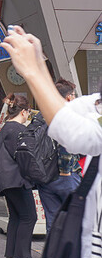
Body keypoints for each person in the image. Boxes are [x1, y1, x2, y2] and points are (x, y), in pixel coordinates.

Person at [1, 25, 102, 258]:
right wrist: (37, 67)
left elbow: (70, 128)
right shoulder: (91, 106)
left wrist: (34, 70)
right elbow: (69, 115)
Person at [0, 94, 38, 258]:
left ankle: (11, 255)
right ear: (25, 112)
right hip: (16, 179)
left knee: (17, 217)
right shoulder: (17, 129)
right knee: (29, 216)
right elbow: (23, 156)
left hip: (6, 178)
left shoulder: (7, 127)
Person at [36, 78, 82, 234]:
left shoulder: (42, 114)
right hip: (65, 176)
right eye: (74, 95)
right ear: (69, 97)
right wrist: (65, 170)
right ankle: (73, 257)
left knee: (53, 223)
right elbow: (66, 145)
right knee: (76, 221)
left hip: (45, 176)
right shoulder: (66, 115)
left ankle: (53, 256)